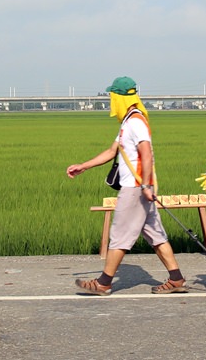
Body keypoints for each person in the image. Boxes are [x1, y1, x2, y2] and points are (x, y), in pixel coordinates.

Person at [66, 76, 187, 295]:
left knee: (120, 234)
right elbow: (112, 151)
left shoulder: (135, 122)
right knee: (155, 235)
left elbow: (146, 154)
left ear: (119, 97)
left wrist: (147, 185)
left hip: (136, 188)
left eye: (112, 96)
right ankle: (176, 278)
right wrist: (84, 166)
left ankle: (103, 283)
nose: (110, 101)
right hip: (140, 187)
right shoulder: (128, 122)